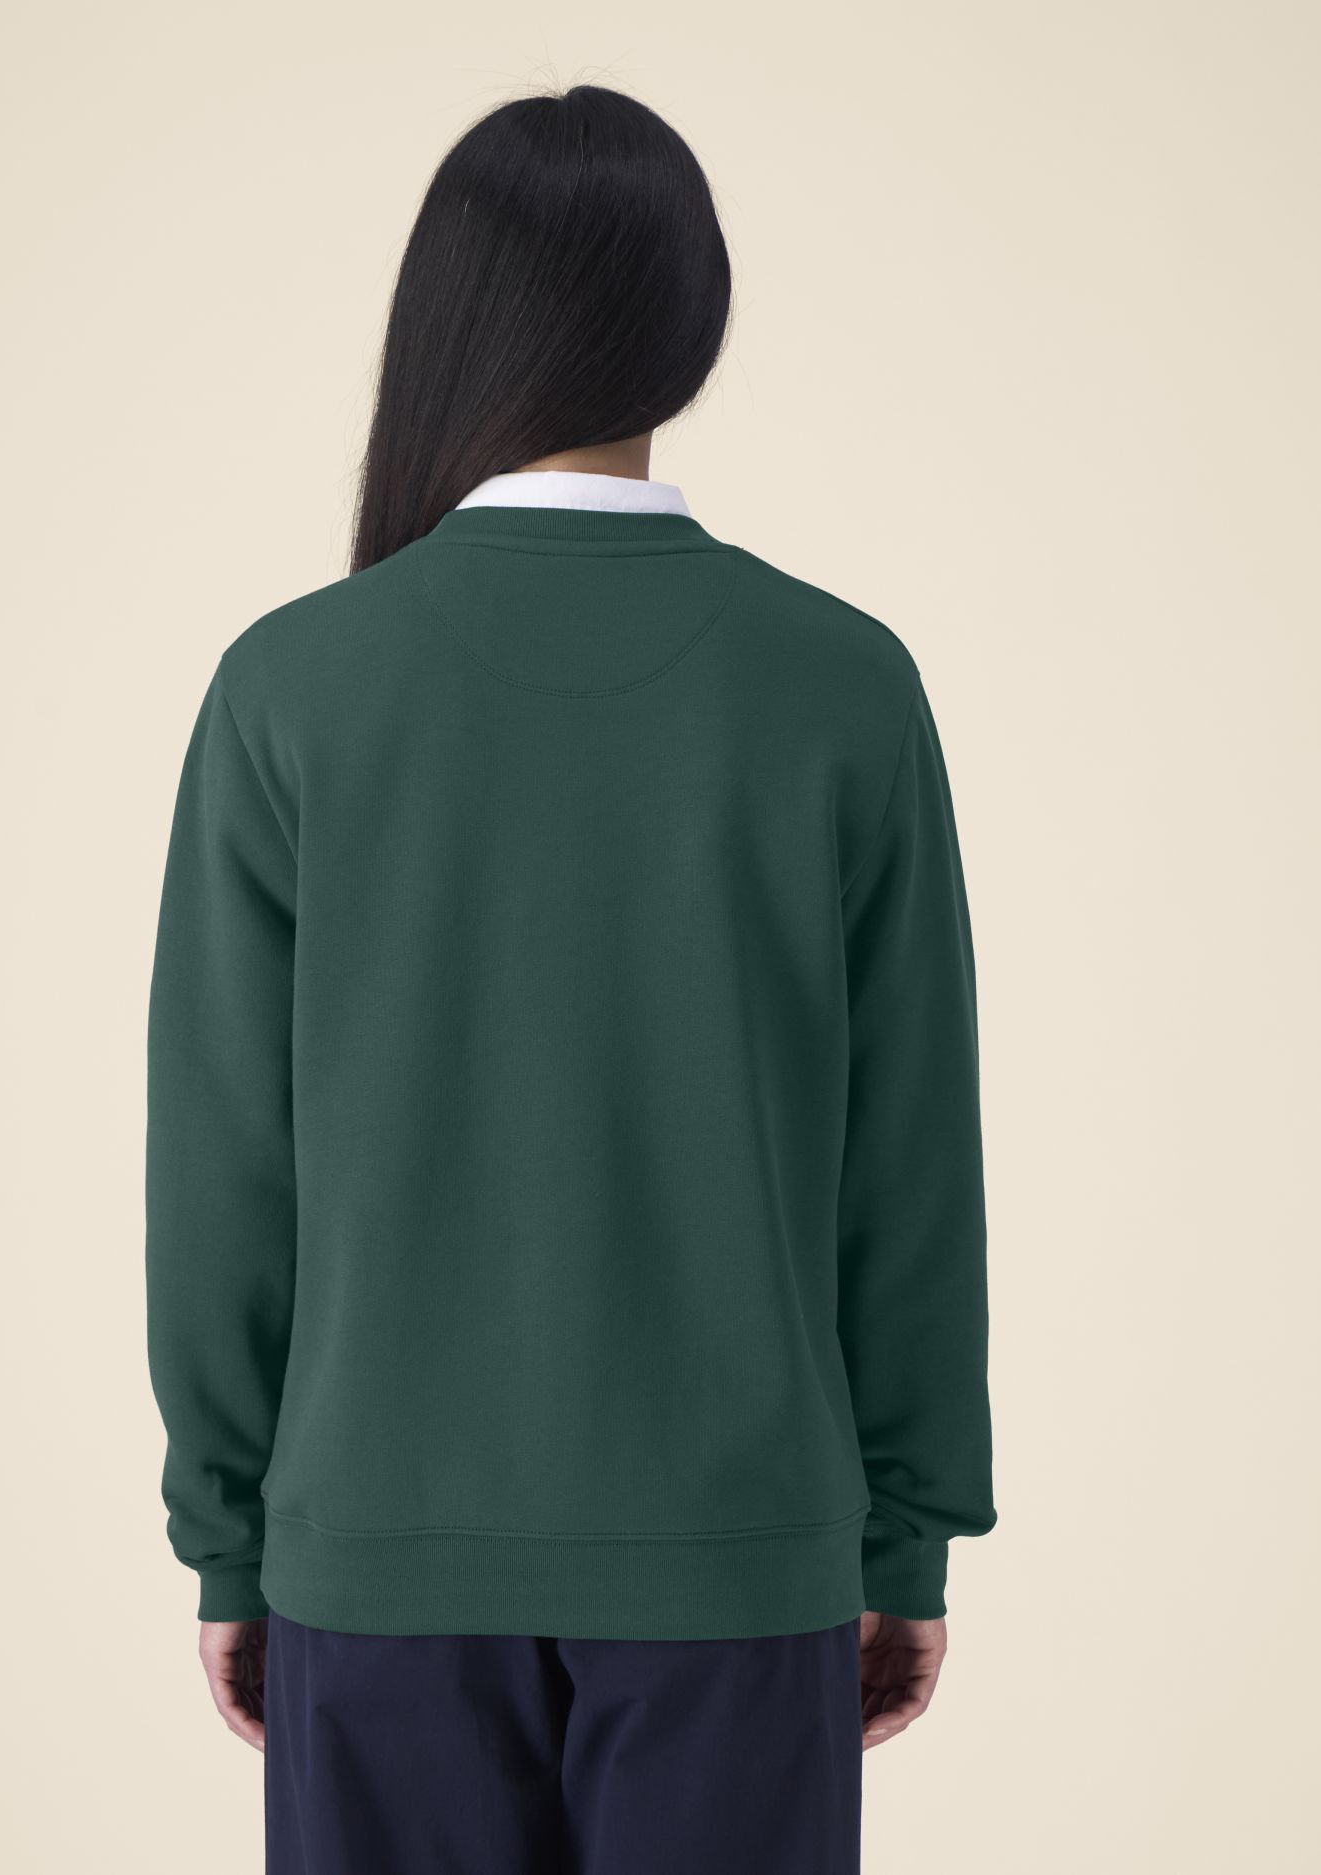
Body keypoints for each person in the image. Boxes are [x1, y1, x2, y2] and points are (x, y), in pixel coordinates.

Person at [145, 83, 995, 1875]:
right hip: (741, 1565)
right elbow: (911, 1167)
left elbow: (222, 1169)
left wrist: (230, 1540)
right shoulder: (844, 685)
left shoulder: (291, 687)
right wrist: (904, 1537)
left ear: (446, 317)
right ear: (696, 324)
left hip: (373, 1565)